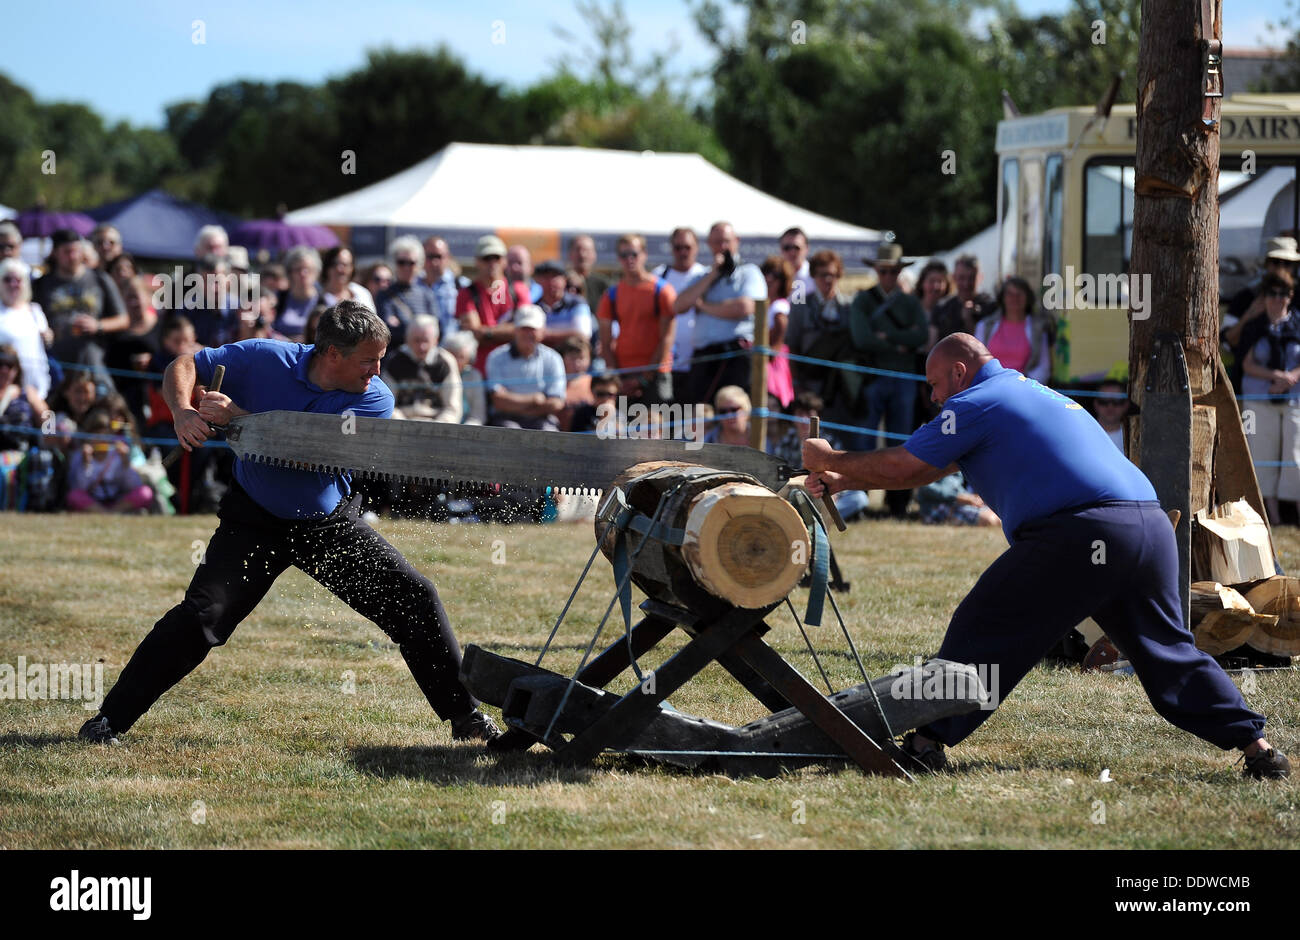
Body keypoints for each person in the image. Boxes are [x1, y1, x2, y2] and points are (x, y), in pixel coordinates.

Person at [802, 332, 1291, 779]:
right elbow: (924, 470)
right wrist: (849, 479)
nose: (932, 397)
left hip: (1085, 530)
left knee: (987, 624)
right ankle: (1259, 749)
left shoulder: (975, 402)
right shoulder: (1034, 392)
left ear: (959, 371)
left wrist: (829, 460)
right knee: (1169, 652)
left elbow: (906, 463)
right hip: (1148, 525)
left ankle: (926, 743)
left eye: (934, 385)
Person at [79, 300, 500, 746]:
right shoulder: (265, 357)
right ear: (332, 353)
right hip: (254, 520)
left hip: (327, 525)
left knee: (416, 599)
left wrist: (237, 418)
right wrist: (183, 410)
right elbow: (184, 363)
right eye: (368, 360)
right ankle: (109, 720)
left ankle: (465, 717)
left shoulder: (375, 398)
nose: (377, 370)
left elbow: (309, 451)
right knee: (203, 617)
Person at [851, 243, 929, 519]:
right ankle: (859, 501)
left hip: (903, 378)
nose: (888, 276)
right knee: (865, 440)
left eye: (893, 271)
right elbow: (861, 338)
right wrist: (900, 341)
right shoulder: (863, 300)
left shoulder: (910, 302)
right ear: (876, 270)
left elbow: (921, 336)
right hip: (872, 377)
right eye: (883, 271)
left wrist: (887, 338)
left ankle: (898, 503)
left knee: (902, 441)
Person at [674, 221, 766, 406]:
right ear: (708, 244)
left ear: (736, 241)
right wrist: (712, 275)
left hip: (735, 356)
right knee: (701, 416)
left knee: (733, 414)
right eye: (716, 242)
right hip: (704, 359)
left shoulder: (749, 272)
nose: (722, 247)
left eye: (726, 241)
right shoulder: (702, 277)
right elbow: (679, 305)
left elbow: (745, 307)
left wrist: (704, 306)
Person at [1240, 269, 1300, 525]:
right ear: (1264, 297)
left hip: (1294, 398)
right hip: (1260, 398)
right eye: (1272, 294)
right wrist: (1275, 376)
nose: (1277, 299)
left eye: (1283, 294)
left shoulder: (1298, 323)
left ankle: (1296, 515)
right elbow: (1246, 363)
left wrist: (1290, 378)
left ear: (1291, 296)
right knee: (1262, 455)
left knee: (1295, 457)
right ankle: (1271, 517)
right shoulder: (1254, 326)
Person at [33, 228, 128, 376]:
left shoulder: (100, 279)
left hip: (94, 361)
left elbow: (123, 319)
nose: (73, 256)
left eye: (76, 250)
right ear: (55, 253)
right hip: (56, 362)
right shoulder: (42, 284)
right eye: (67, 252)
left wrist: (98, 325)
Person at [596, 234, 677, 404]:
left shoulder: (662, 291)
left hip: (656, 374)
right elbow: (605, 340)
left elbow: (667, 339)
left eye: (634, 254)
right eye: (624, 255)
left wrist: (644, 378)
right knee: (622, 429)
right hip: (623, 375)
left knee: (658, 428)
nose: (629, 259)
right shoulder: (612, 294)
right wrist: (617, 377)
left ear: (644, 254)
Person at [457, 235, 531, 375]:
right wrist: (509, 331)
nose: (492, 263)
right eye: (486, 258)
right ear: (477, 261)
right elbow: (474, 334)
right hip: (480, 370)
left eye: (496, 258)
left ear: (504, 261)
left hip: (515, 370)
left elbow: (525, 330)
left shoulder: (518, 290)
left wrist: (488, 332)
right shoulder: (466, 293)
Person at [485, 305, 565, 430]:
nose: (528, 333)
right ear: (515, 330)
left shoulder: (553, 358)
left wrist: (513, 403)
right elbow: (498, 400)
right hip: (505, 419)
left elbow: (556, 402)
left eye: (533, 329)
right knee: (510, 433)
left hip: (543, 420)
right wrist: (534, 399)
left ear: (542, 331)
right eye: (524, 328)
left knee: (549, 433)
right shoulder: (496, 357)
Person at [654, 228, 709, 399]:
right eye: (678, 248)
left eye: (687, 247)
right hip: (666, 364)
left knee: (695, 422)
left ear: (697, 248)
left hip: (699, 362)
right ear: (672, 249)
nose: (683, 252)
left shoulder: (706, 275)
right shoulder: (658, 276)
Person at [65, 408, 153, 514]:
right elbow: (80, 488)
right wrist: (86, 463)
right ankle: (104, 513)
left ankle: (112, 512)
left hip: (117, 500)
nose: (101, 439)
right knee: (74, 496)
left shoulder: (118, 453)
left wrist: (126, 463)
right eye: (97, 435)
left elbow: (133, 486)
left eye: (105, 435)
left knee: (145, 492)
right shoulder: (80, 455)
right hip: (93, 502)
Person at [974, 275, 1055, 385]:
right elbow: (976, 362)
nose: (1014, 298)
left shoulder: (1038, 328)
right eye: (1010, 294)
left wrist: (1024, 385)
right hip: (990, 387)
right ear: (1002, 298)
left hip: (1024, 390)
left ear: (1028, 298)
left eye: (1019, 294)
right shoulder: (984, 326)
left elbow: (1044, 367)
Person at [381, 314, 462, 423]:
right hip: (402, 424)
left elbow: (453, 408)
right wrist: (403, 426)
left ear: (436, 340)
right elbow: (387, 405)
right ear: (407, 339)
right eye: (417, 340)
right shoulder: (394, 361)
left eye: (426, 341)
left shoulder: (445, 362)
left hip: (437, 425)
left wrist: (437, 428)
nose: (421, 347)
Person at [0, 258, 52, 401]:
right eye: (7, 279)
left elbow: (46, 341)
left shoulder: (35, 310)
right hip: (4, 387)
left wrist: (48, 337)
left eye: (18, 280)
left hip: (33, 387)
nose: (13, 284)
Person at [376, 236, 439, 349]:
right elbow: (386, 330)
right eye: (401, 262)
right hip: (396, 357)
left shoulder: (427, 294)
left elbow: (436, 328)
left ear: (419, 264)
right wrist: (420, 330)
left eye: (411, 263)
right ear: (394, 263)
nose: (406, 267)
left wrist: (402, 325)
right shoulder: (384, 295)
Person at [930, 253, 996, 346]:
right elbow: (932, 346)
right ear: (953, 278)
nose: (966, 284)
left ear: (980, 277)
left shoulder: (991, 307)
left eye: (971, 278)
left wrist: (969, 320)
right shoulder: (942, 308)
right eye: (962, 278)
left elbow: (989, 348)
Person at [759, 255, 795, 409]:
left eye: (775, 275)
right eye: (766, 273)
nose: (769, 278)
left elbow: (775, 345)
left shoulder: (780, 307)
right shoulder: (765, 304)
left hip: (772, 365)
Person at [535, 258, 594, 350]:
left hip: (572, 361)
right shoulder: (533, 307)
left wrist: (543, 334)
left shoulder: (577, 303)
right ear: (537, 280)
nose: (551, 281)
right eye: (546, 277)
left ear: (564, 280)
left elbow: (583, 335)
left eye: (555, 276)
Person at [274, 246, 328, 342]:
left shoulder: (325, 302)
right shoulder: (279, 298)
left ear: (317, 272)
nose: (303, 273)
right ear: (290, 273)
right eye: (298, 269)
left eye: (308, 269)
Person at [420, 236, 465, 341]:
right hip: (422, 351)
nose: (434, 262)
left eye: (438, 256)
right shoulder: (413, 285)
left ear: (448, 257)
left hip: (453, 350)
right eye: (430, 256)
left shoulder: (462, 285)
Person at [444, 332, 486, 426]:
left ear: (468, 359)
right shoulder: (439, 373)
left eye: (461, 357)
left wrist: (465, 432)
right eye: (452, 355)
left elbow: (478, 415)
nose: (455, 361)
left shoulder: (474, 376)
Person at [319, 246, 374, 312]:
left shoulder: (362, 294)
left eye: (345, 265)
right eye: (335, 264)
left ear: (352, 268)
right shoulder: (316, 295)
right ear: (327, 267)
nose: (340, 269)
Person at [568, 235, 609, 314]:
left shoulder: (603, 284)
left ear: (594, 255)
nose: (582, 255)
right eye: (578, 249)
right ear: (570, 254)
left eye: (587, 250)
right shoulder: (561, 282)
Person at [778, 226, 816, 301]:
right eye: (787, 248)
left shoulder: (815, 277)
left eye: (796, 248)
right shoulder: (774, 277)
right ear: (780, 250)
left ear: (806, 249)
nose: (792, 252)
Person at [1092, 379, 1129, 452]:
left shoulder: (1134, 437)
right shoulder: (1083, 433)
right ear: (1096, 404)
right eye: (1104, 401)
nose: (1110, 407)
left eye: (1117, 401)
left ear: (1126, 404)